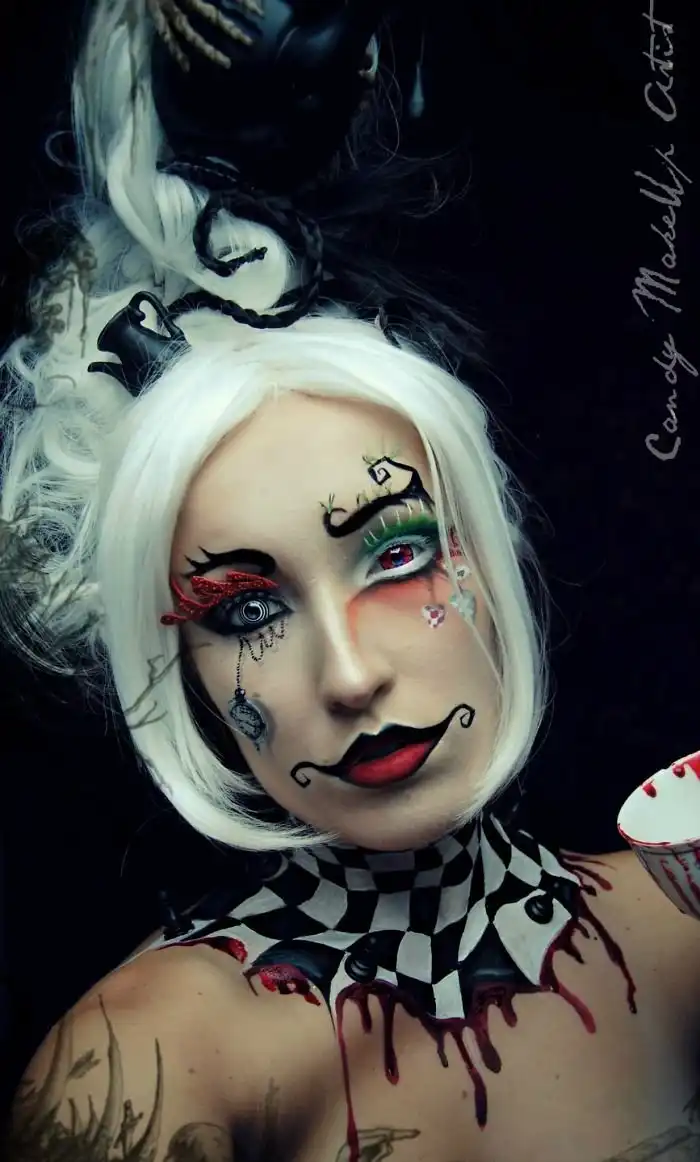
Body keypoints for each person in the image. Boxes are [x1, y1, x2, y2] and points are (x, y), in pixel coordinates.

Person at [3, 3, 700, 1161]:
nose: (351, 672)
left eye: (396, 552)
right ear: (180, 671)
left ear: (485, 551)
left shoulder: (678, 931)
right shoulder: (154, 1066)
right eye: (247, 609)